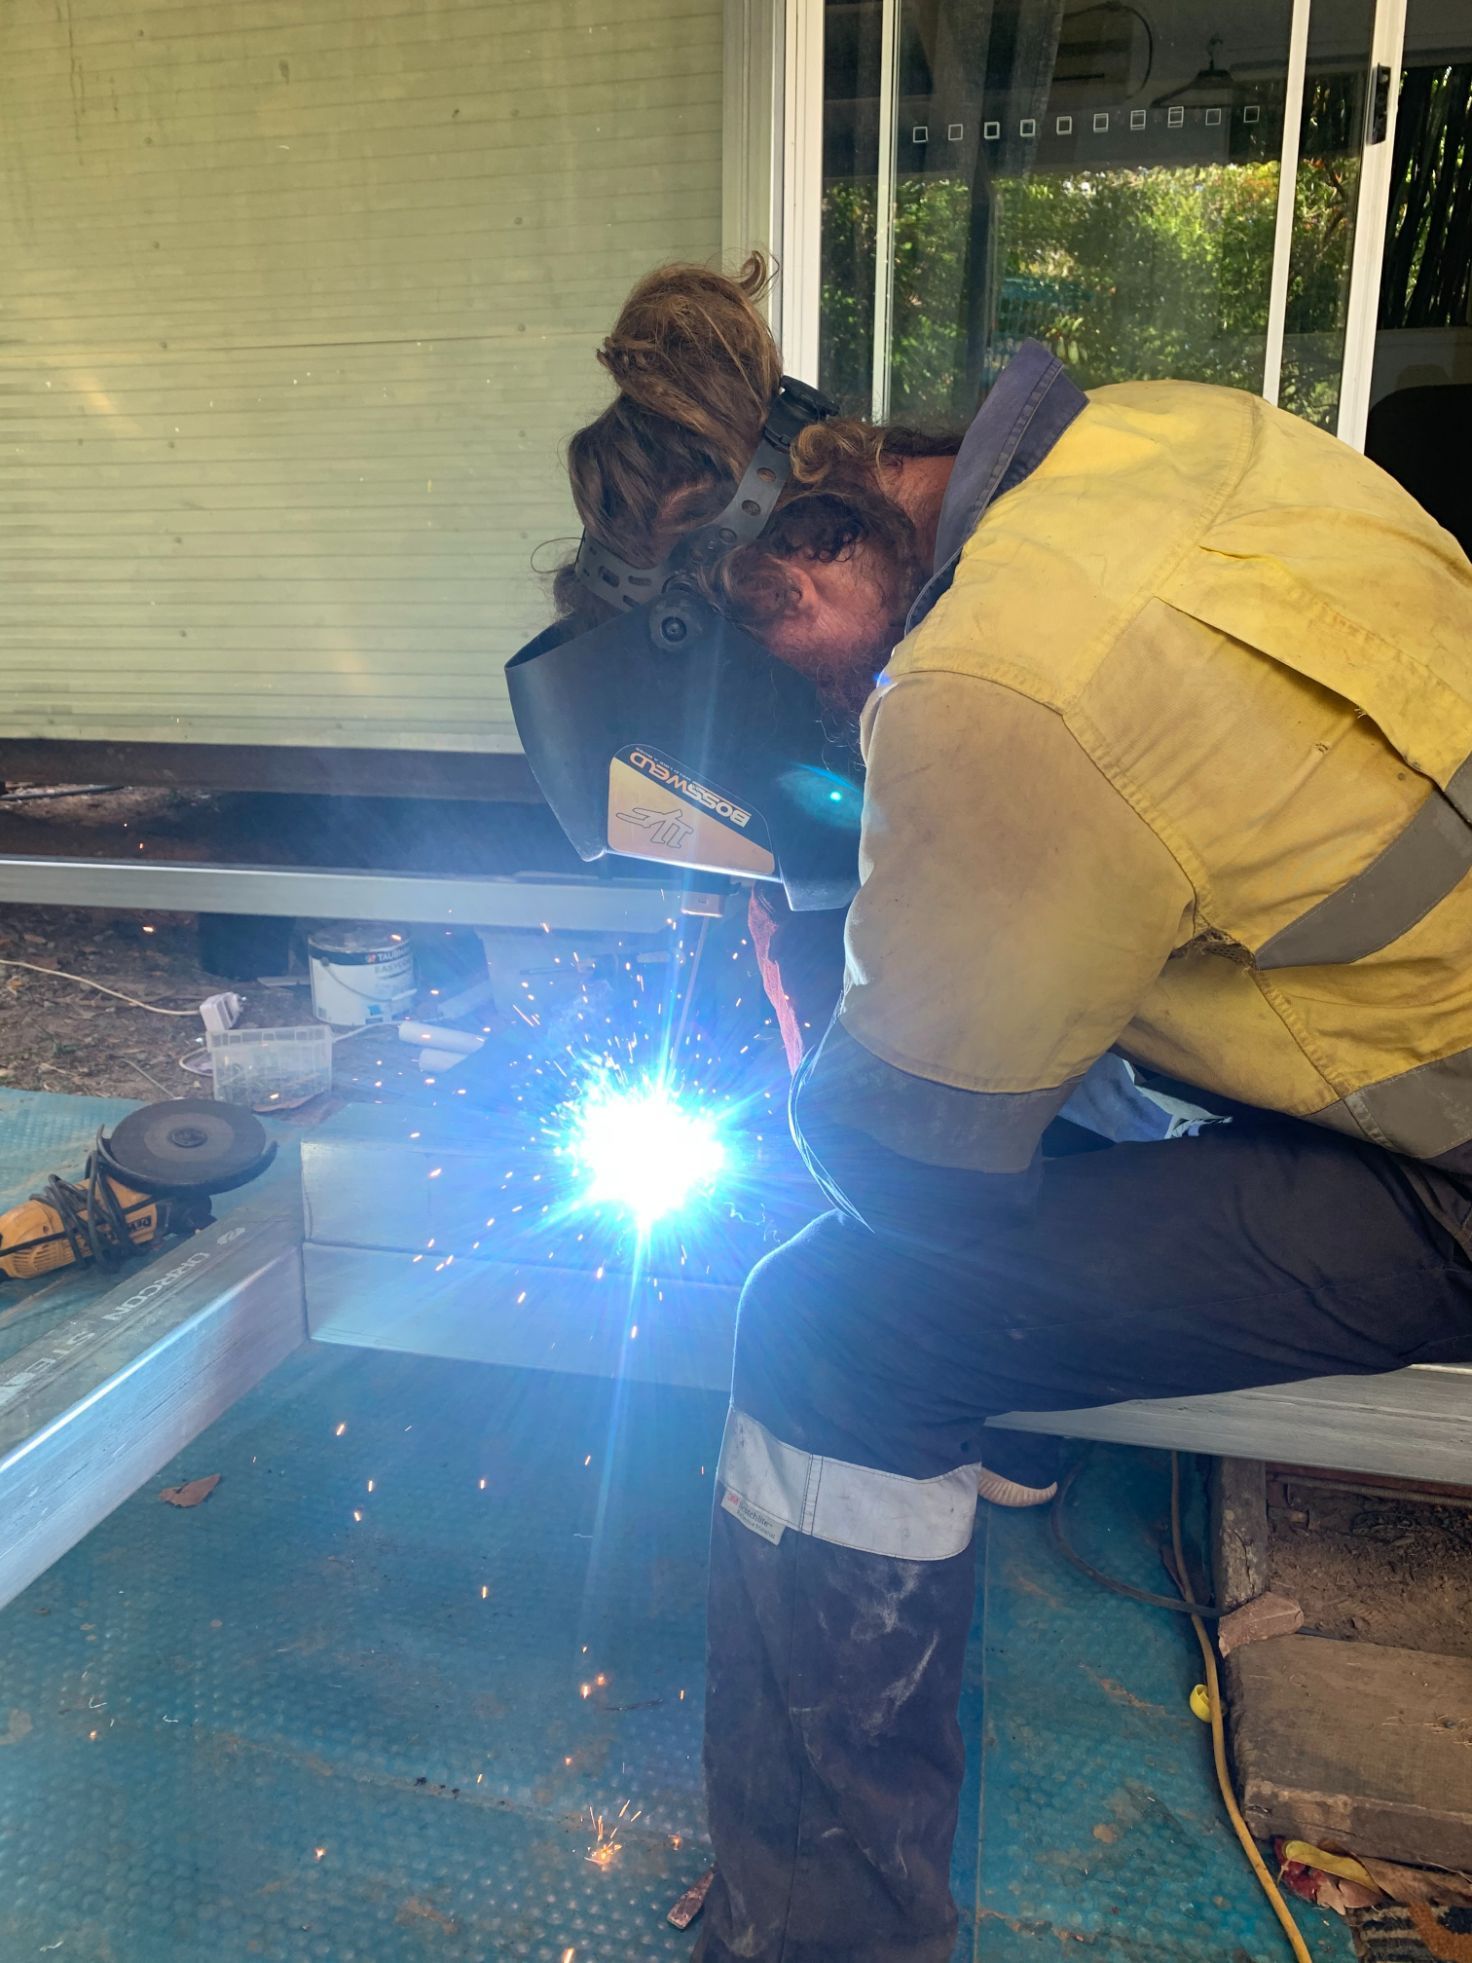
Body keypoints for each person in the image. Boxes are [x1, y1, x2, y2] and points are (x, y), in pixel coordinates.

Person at [549, 255, 1472, 1963]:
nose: (818, 702)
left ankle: (823, 1928)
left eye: (788, 649)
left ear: (815, 544)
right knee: (1060, 1025)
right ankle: (1031, 1437)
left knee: (833, 1316)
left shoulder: (990, 690)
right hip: (1410, 1011)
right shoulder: (1164, 434)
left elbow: (908, 1167)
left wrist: (819, 980)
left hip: (1442, 1163)